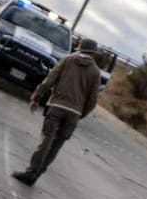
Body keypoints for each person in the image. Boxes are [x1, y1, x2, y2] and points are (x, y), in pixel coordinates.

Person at [12, 37, 102, 186]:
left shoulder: (67, 60)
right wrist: (80, 113)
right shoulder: (96, 72)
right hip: (74, 113)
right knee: (56, 146)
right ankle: (37, 175)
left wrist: (36, 97)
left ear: (80, 48)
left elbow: (50, 79)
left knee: (46, 141)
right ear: (94, 53)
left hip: (57, 106)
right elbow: (93, 100)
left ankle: (30, 173)